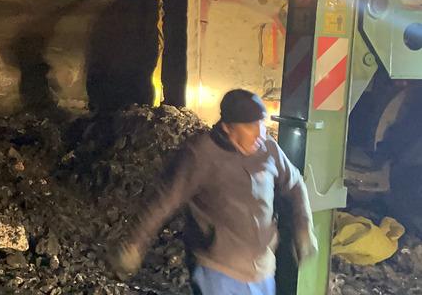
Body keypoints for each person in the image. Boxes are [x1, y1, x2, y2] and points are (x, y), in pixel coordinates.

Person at [110, 89, 316, 295]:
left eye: (261, 124)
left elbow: (295, 184)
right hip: (219, 272)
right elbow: (165, 200)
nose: (259, 133)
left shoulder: (268, 149)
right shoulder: (201, 154)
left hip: (263, 270)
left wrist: (304, 226)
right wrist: (134, 245)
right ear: (227, 127)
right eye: (250, 126)